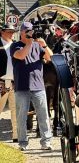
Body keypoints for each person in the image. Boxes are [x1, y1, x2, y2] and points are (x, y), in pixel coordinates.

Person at [10, 21, 53, 151]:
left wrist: (44, 45)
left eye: (31, 30)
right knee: (21, 117)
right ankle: (23, 143)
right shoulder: (15, 46)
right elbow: (21, 55)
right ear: (21, 32)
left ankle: (46, 142)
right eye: (27, 31)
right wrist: (29, 44)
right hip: (22, 86)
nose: (30, 33)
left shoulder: (37, 45)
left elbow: (50, 58)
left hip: (38, 86)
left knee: (43, 115)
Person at [0, 23, 18, 143]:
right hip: (1, 81)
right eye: (9, 31)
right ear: (2, 32)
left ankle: (16, 135)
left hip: (14, 82)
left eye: (13, 32)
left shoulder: (16, 45)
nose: (11, 34)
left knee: (15, 110)